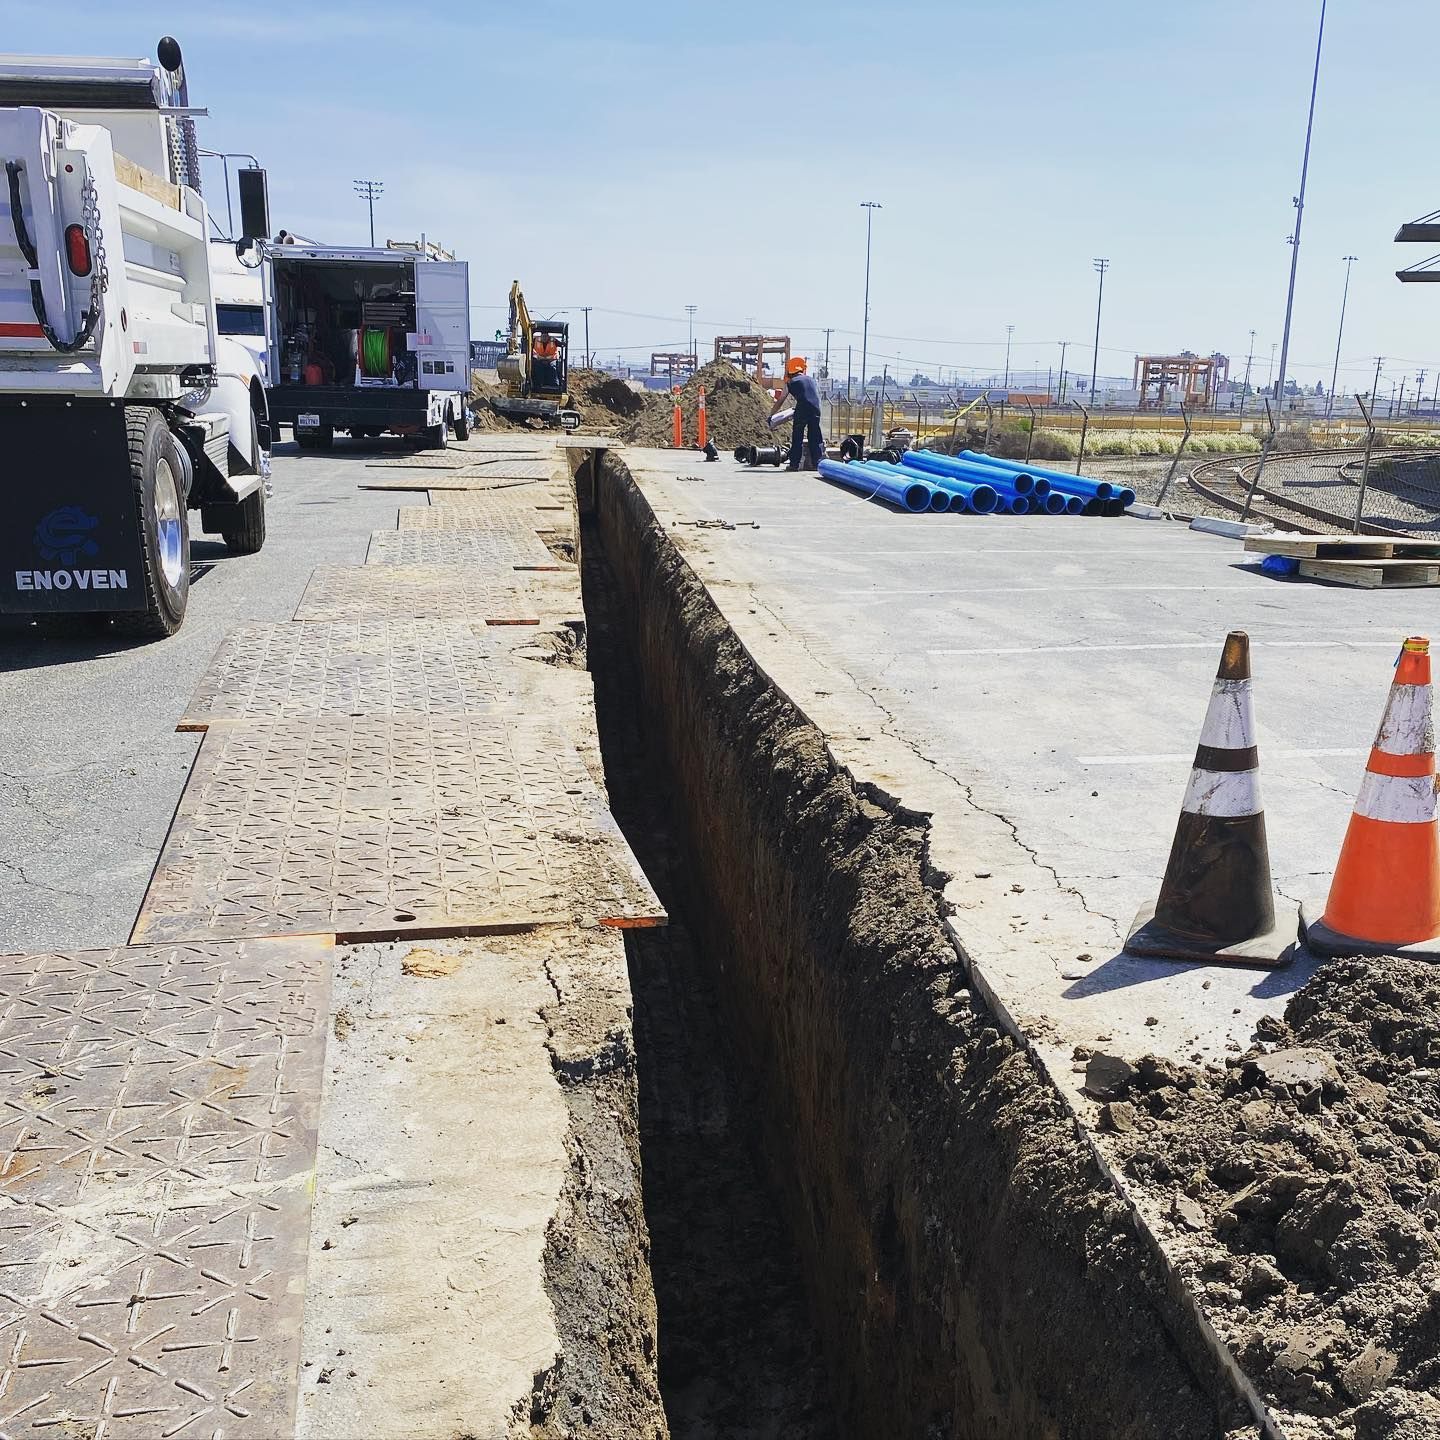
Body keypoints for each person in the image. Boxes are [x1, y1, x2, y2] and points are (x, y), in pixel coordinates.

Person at [772, 356, 824, 472]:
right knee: (815, 436)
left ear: (790, 371)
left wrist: (772, 414)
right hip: (816, 409)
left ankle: (794, 465)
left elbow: (781, 400)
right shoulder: (811, 380)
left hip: (802, 409)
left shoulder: (790, 382)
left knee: (797, 437)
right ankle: (818, 464)